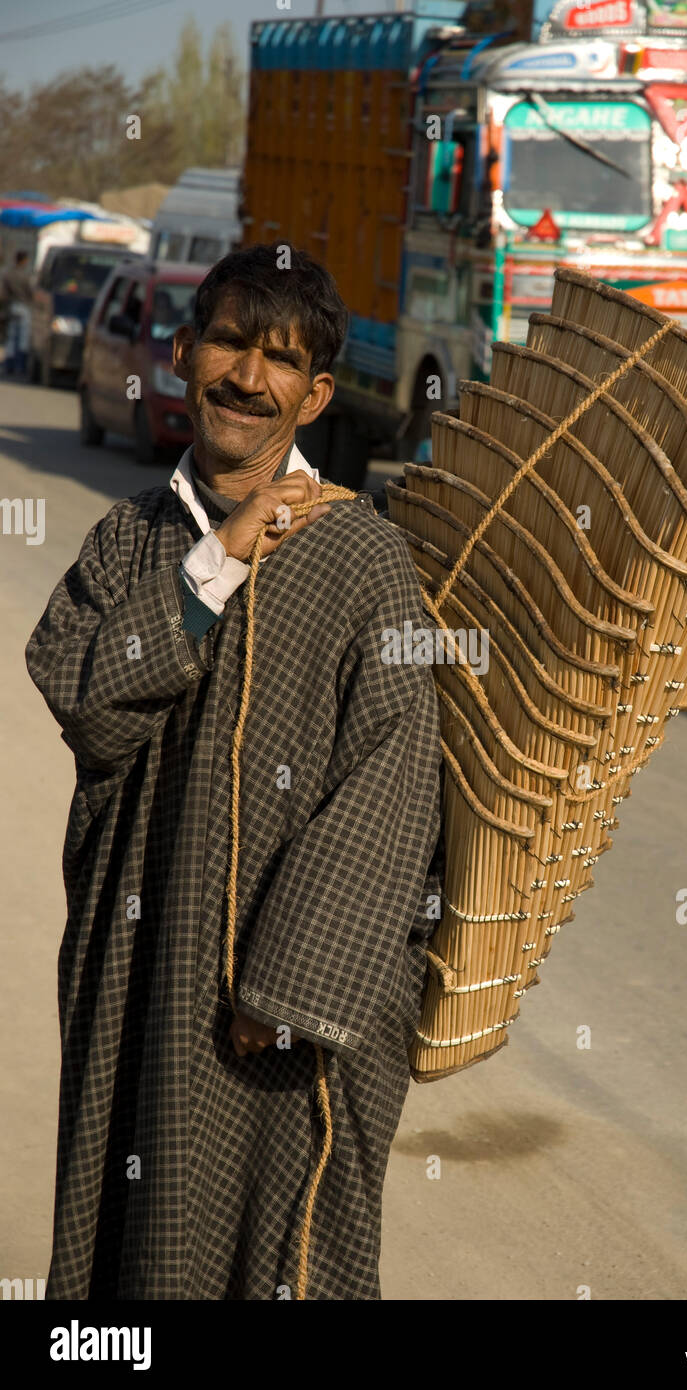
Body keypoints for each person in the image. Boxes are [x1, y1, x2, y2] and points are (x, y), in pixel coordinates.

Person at [25, 241, 444, 1300]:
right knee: (137, 1258)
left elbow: (398, 783)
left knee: (289, 1260)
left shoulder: (365, 559)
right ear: (183, 351)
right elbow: (89, 706)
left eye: (282, 360)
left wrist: (293, 982)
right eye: (229, 342)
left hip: (292, 1015)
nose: (249, 378)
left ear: (317, 394)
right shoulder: (130, 544)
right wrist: (219, 562)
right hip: (141, 984)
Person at [2, 249, 33, 378]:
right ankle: (20, 366)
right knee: (23, 339)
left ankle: (9, 365)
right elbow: (30, 292)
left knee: (11, 337)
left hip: (11, 307)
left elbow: (3, 293)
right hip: (24, 307)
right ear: (24, 260)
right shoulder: (25, 275)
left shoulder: (8, 274)